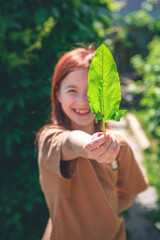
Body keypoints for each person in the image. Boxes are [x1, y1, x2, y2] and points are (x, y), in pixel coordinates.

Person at [37, 45, 148, 240]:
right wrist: (90, 146)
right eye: (72, 90)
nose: (82, 101)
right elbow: (70, 143)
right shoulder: (49, 137)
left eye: (92, 91)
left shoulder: (119, 145)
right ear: (58, 95)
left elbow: (129, 193)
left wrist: (105, 210)